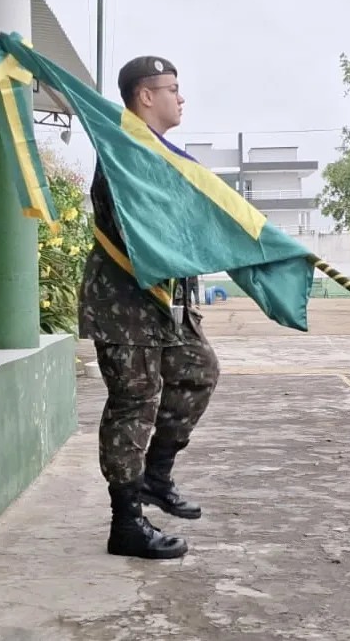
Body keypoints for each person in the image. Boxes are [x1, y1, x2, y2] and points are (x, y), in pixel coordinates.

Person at [81, 56, 220, 559]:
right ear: (145, 96)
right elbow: (144, 232)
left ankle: (154, 477)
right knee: (133, 404)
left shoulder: (161, 153)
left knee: (198, 371)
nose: (181, 98)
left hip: (165, 303)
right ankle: (126, 523)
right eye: (172, 89)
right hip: (125, 304)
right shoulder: (124, 153)